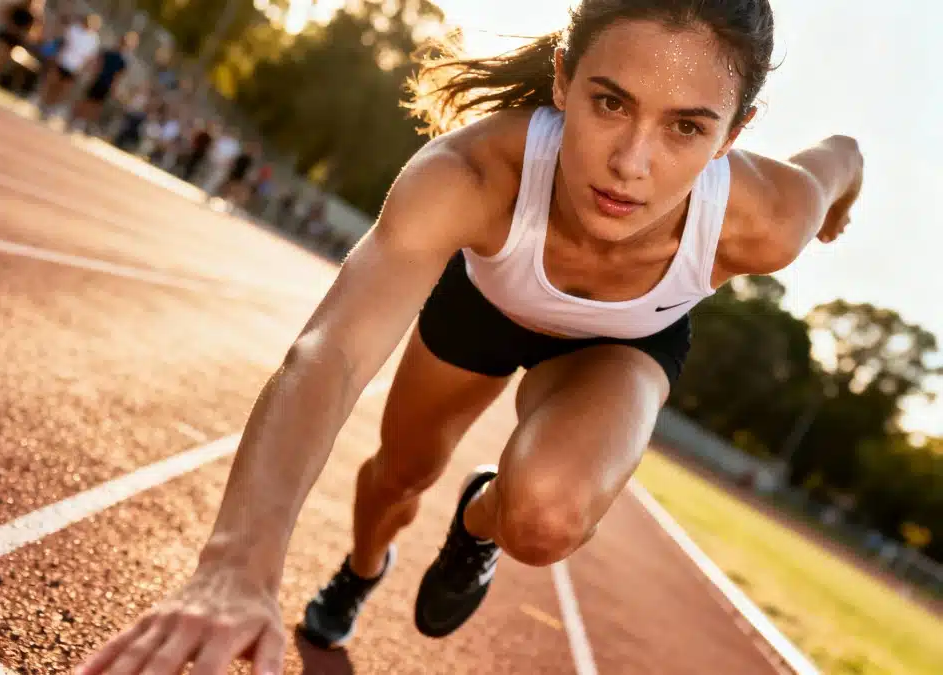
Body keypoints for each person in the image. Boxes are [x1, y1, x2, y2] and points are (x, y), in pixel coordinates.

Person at [76, 0, 864, 673]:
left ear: (735, 133)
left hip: (621, 346)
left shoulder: (770, 219)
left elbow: (844, 155)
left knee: (545, 515)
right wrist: (237, 565)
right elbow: (334, 351)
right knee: (398, 475)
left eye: (687, 127)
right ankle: (358, 571)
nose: (632, 162)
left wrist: (838, 205)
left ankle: (479, 518)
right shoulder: (474, 173)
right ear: (563, 78)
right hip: (485, 303)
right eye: (610, 103)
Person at [69, 31, 140, 136]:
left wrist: (113, 88)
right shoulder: (108, 52)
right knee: (86, 101)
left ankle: (86, 125)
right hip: (98, 80)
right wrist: (93, 76)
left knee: (96, 106)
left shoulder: (123, 61)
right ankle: (73, 121)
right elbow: (98, 66)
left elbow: (118, 77)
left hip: (107, 85)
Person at [36, 13, 103, 122]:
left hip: (75, 68)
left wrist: (83, 69)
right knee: (51, 83)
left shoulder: (94, 40)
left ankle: (50, 109)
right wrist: (56, 57)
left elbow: (90, 58)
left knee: (62, 90)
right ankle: (42, 104)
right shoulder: (74, 29)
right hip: (62, 62)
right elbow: (62, 43)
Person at [0, 0, 46, 88]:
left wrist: (23, 34)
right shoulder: (17, 7)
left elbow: (34, 35)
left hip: (16, 41)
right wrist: (11, 26)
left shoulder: (35, 16)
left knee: (2, 61)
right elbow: (4, 14)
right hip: (6, 35)